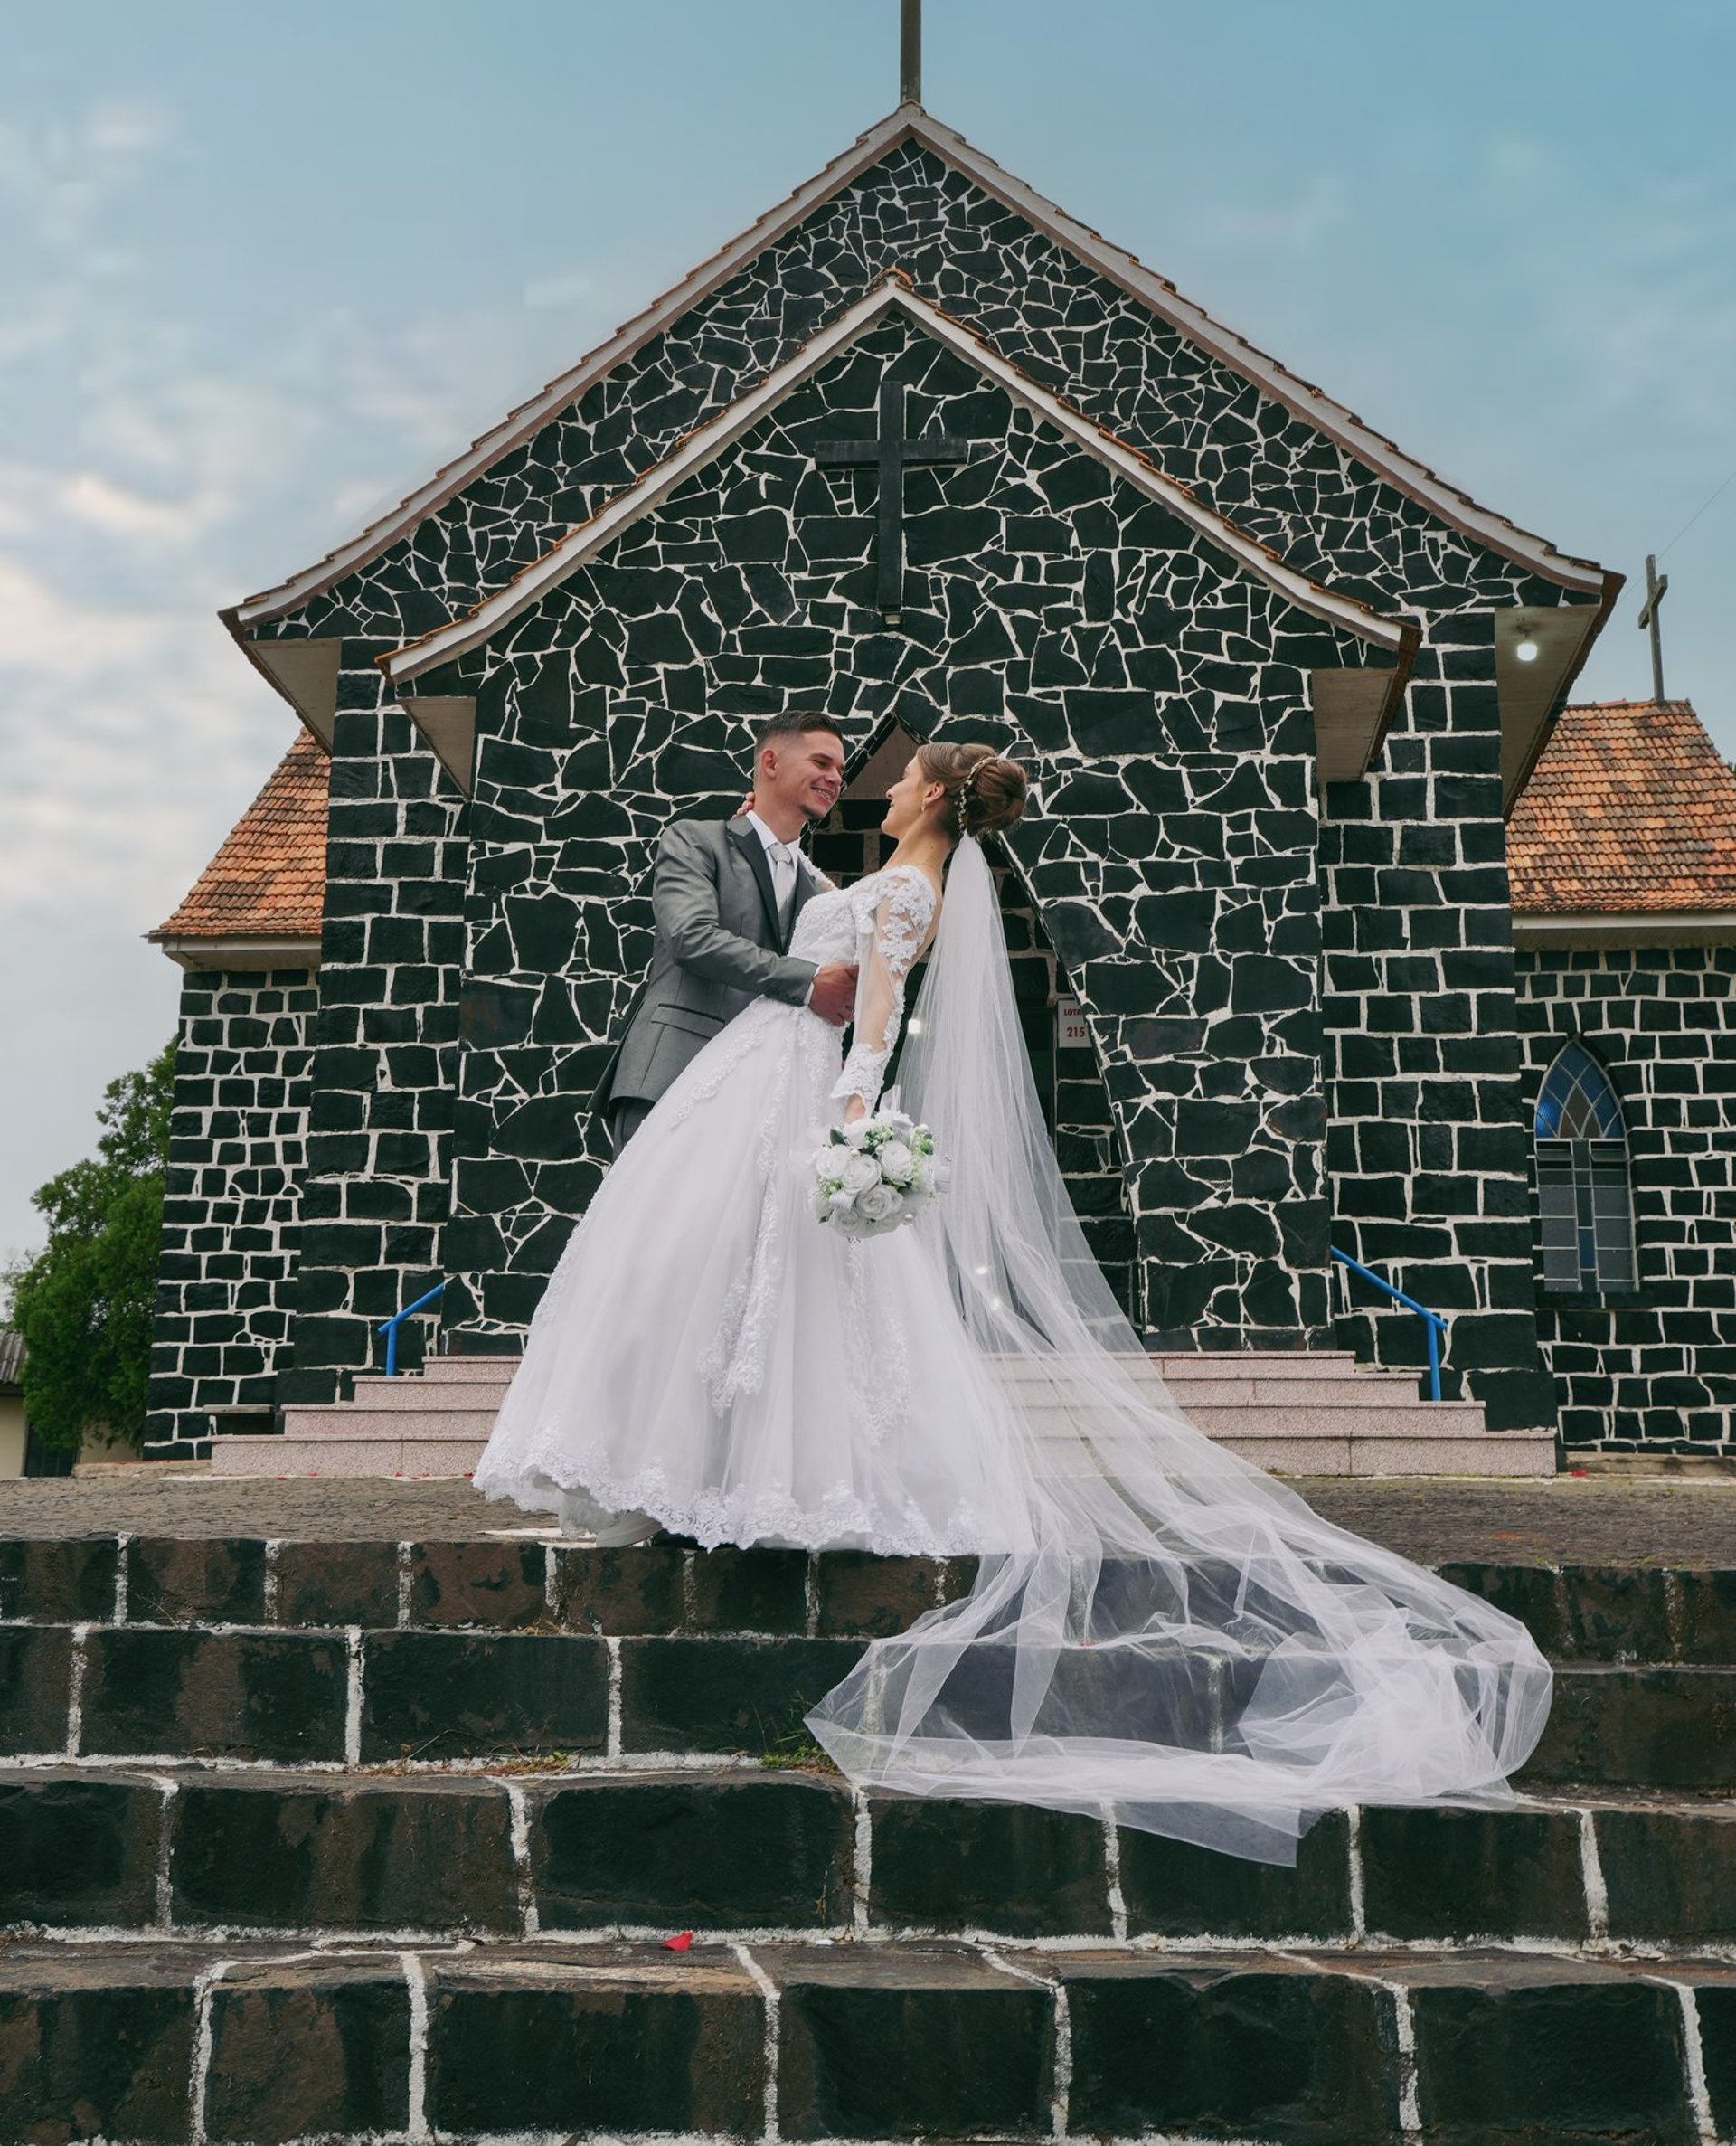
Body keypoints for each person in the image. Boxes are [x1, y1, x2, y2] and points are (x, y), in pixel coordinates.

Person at [476, 738, 1552, 1867]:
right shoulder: (876, 877)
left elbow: (876, 1016)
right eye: (845, 763)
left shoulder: (898, 888)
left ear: (933, 794)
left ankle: (753, 1471)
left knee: (769, 1290)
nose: (877, 784)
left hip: (798, 1081)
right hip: (752, 1071)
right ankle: (709, 1464)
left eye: (894, 775)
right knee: (726, 1282)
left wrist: (852, 1120)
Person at [590, 709, 859, 1153]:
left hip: (760, 1100)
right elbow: (690, 937)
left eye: (840, 770)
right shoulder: (696, 840)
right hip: (673, 1073)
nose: (835, 778)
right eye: (821, 763)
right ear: (770, 763)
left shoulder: (816, 890)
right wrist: (808, 981)